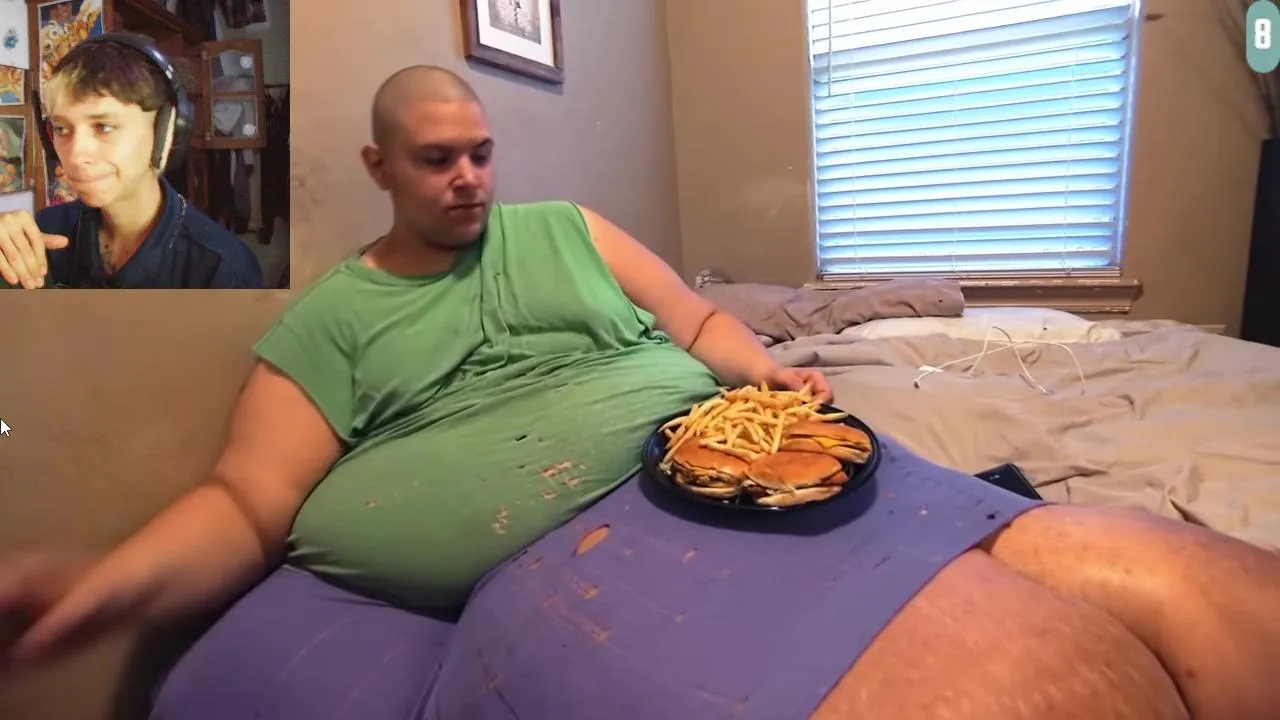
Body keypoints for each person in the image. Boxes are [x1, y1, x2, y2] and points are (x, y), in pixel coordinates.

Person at [1, 66, 1278, 720]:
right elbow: (246, 501)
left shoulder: (570, 230)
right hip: (599, 533)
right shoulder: (330, 316)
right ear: (377, 166)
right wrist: (105, 585)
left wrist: (763, 371)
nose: (468, 179)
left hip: (767, 459)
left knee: (1207, 588)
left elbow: (699, 317)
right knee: (1026, 683)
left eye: (480, 153)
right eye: (436, 160)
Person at [0, 34, 263, 290]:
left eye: (104, 127)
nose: (76, 156)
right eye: (61, 129)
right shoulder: (48, 228)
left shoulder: (223, 271)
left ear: (166, 131)